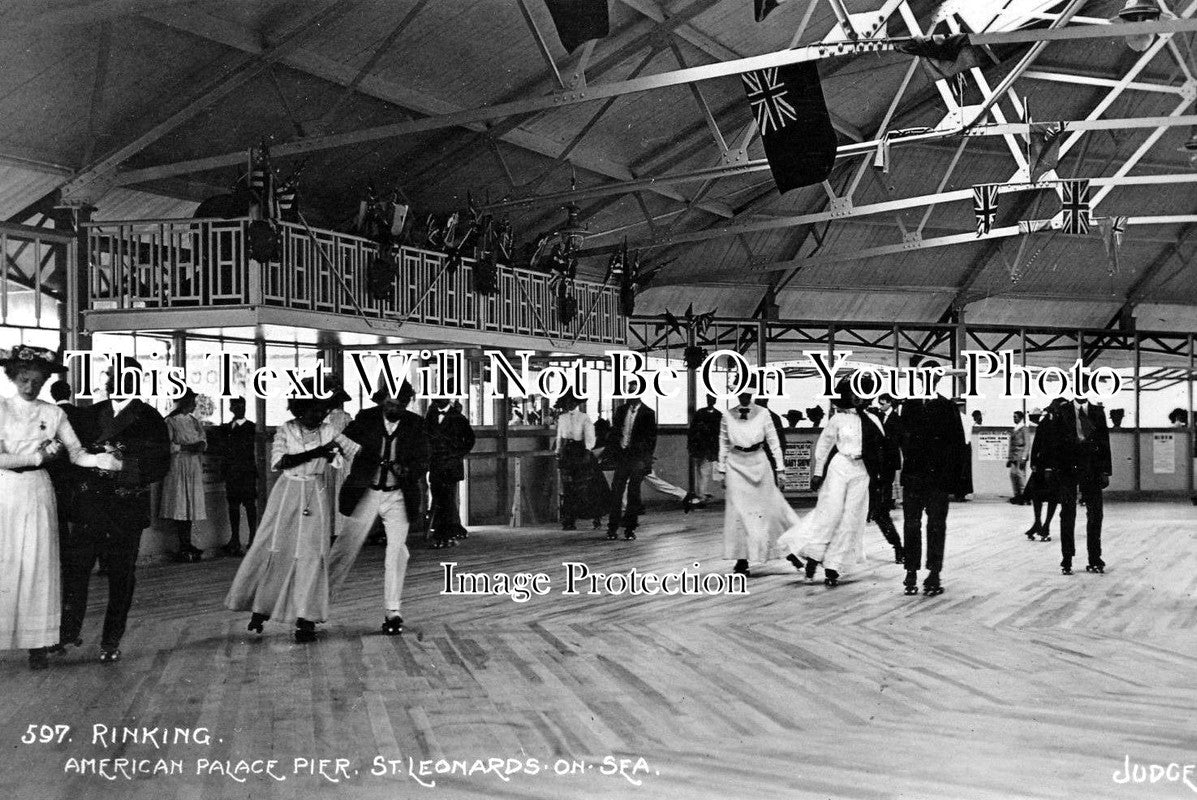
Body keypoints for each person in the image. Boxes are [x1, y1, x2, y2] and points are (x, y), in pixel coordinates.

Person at [0, 347, 121, 670]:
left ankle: (37, 644)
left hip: (39, 493)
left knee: (39, 564)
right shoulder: (1, 409)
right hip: (6, 491)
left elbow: (77, 453)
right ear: (12, 377)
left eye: (37, 382)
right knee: (6, 563)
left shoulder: (54, 413)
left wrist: (101, 460)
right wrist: (37, 458)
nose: (30, 387)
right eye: (24, 380)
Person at [60, 356, 171, 663]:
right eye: (109, 376)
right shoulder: (90, 414)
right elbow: (74, 455)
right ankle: (68, 632)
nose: (110, 381)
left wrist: (123, 465)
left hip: (126, 508)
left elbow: (161, 465)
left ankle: (111, 640)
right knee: (76, 569)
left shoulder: (151, 419)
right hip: (90, 506)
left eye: (117, 376)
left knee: (121, 577)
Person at [225, 388, 358, 642]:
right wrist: (318, 452)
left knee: (311, 554)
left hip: (315, 494)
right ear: (299, 409)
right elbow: (280, 462)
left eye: (323, 410)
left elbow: (354, 450)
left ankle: (307, 618)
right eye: (313, 409)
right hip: (286, 494)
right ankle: (261, 608)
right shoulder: (286, 430)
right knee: (274, 548)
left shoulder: (329, 430)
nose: (319, 415)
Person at [328, 380, 429, 636]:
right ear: (383, 399)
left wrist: (409, 470)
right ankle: (314, 607)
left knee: (397, 552)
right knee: (345, 547)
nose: (395, 407)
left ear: (408, 403)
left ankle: (392, 611)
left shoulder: (416, 424)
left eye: (401, 404)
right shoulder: (366, 418)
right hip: (367, 492)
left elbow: (423, 459)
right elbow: (341, 442)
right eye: (391, 402)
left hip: (397, 496)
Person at [778, 381, 872, 586]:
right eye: (854, 394)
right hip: (839, 467)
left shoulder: (872, 419)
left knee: (851, 518)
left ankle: (833, 565)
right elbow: (824, 445)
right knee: (830, 513)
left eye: (862, 393)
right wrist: (818, 473)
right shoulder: (837, 419)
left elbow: (883, 447)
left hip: (862, 471)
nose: (858, 398)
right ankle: (812, 556)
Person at [897, 360, 964, 596]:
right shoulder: (909, 406)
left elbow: (957, 446)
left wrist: (955, 483)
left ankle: (934, 573)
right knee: (912, 525)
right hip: (915, 478)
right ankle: (911, 571)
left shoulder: (948, 407)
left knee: (936, 526)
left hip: (938, 480)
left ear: (937, 379)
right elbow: (902, 440)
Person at [719, 390, 797, 578]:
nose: (744, 397)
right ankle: (741, 560)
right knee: (738, 513)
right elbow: (722, 442)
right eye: (741, 393)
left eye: (747, 393)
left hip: (759, 464)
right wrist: (721, 470)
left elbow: (774, 441)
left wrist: (780, 469)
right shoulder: (726, 415)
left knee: (770, 510)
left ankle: (790, 551)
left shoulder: (763, 413)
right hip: (735, 465)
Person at [1032, 395, 1111, 575]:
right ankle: (1067, 558)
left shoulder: (1098, 412)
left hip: (1092, 468)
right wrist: (1052, 468)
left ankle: (1095, 557)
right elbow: (1055, 443)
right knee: (1067, 513)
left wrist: (1106, 471)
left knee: (1095, 513)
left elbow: (1104, 442)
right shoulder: (1062, 411)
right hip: (1067, 469)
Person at [160, 387, 207, 562]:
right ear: (184, 401)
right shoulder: (170, 421)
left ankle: (188, 543)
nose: (194, 404)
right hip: (178, 467)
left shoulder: (194, 421)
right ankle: (183, 544)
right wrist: (187, 447)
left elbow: (203, 440)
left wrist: (201, 445)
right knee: (180, 504)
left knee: (190, 504)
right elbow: (168, 446)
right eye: (192, 401)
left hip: (192, 466)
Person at [426, 396, 475, 547]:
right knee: (438, 497)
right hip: (436, 464)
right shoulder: (430, 416)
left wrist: (456, 454)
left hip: (450, 466)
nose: (437, 402)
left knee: (446, 500)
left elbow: (470, 440)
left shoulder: (459, 418)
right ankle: (446, 532)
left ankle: (444, 534)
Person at [554, 392, 608, 530]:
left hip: (581, 450)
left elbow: (590, 435)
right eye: (567, 402)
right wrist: (558, 451)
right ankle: (569, 520)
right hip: (568, 451)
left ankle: (596, 517)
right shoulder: (562, 418)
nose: (570, 404)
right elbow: (559, 436)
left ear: (577, 403)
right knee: (568, 487)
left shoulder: (584, 417)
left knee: (588, 486)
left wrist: (587, 451)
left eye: (572, 402)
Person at [605, 397, 657, 540]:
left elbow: (651, 439)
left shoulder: (648, 413)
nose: (631, 396)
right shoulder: (621, 410)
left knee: (633, 492)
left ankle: (630, 529)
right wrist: (614, 453)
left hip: (637, 458)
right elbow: (615, 433)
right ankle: (612, 528)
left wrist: (646, 460)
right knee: (616, 491)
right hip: (622, 456)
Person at [219, 397, 258, 556]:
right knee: (233, 506)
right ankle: (235, 539)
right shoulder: (226, 429)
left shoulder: (252, 427)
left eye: (242, 406)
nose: (240, 409)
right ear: (231, 409)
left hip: (247, 471)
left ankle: (253, 538)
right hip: (232, 472)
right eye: (236, 406)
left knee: (250, 505)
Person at [1022, 406, 1057, 542]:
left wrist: (1034, 464)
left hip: (1044, 466)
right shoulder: (1053, 423)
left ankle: (1039, 523)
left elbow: (1037, 444)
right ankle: (1043, 525)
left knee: (1039, 496)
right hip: (1050, 466)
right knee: (1050, 497)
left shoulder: (1044, 423)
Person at [685, 395, 722, 510]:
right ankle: (701, 495)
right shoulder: (701, 413)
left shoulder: (717, 415)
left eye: (712, 399)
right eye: (709, 399)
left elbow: (718, 434)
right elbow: (692, 431)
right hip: (700, 447)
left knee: (703, 471)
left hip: (708, 447)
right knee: (702, 471)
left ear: (714, 400)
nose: (710, 401)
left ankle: (701, 495)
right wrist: (691, 446)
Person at [875, 394, 901, 512]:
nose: (880, 406)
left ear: (889, 403)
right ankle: (883, 503)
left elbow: (896, 439)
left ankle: (886, 504)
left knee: (888, 481)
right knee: (882, 481)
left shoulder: (897, 418)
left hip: (890, 455)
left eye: (882, 403)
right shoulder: (878, 416)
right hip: (880, 455)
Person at [1007, 411, 1029, 505]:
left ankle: (1025, 496)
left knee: (1020, 476)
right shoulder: (1015, 429)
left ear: (1020, 418)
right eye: (1013, 417)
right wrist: (1009, 458)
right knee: (1013, 475)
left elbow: (1027, 444)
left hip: (1020, 455)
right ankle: (1017, 495)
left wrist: (1024, 457)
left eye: (1015, 417)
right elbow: (1011, 445)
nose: (1014, 418)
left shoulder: (1024, 429)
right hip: (1013, 456)